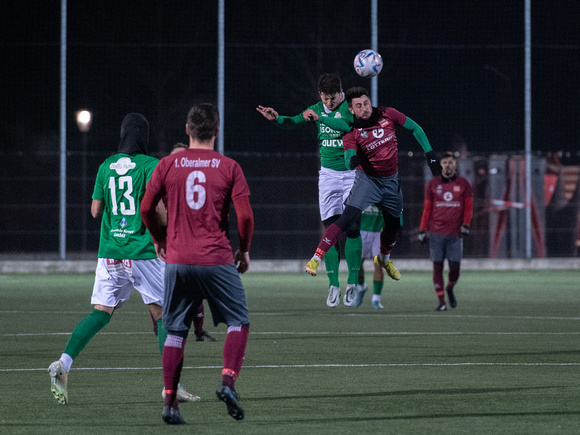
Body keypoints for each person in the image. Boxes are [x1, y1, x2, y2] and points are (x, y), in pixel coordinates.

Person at [48, 113, 198, 405]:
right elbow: (160, 211)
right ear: (144, 136)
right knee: (165, 315)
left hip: (110, 253)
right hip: (142, 252)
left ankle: (63, 364)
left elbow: (95, 210)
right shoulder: (150, 165)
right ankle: (172, 386)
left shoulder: (106, 166)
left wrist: (118, 218)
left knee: (100, 313)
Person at [140, 103, 254, 425]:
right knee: (238, 321)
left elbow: (146, 207)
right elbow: (245, 216)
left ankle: (170, 402)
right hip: (216, 259)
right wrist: (243, 250)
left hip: (177, 260)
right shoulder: (229, 166)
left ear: (187, 130)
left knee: (175, 330)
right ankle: (228, 381)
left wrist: (159, 238)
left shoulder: (167, 164)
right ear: (216, 132)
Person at [304, 86, 442, 282]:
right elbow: (349, 154)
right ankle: (316, 258)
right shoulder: (351, 131)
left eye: (366, 103)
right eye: (358, 106)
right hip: (367, 181)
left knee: (393, 227)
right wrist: (351, 161)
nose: (365, 108)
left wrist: (430, 154)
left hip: (391, 182)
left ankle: (385, 259)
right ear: (351, 110)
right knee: (346, 218)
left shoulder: (388, 114)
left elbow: (415, 128)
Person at [257, 73, 362, 308]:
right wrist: (277, 118)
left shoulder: (350, 106)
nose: (329, 103)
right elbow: (294, 122)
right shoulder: (318, 108)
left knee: (353, 228)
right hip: (327, 176)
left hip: (351, 174)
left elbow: (345, 125)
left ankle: (353, 282)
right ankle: (333, 284)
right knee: (331, 229)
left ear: (340, 91)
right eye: (325, 99)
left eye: (332, 98)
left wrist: (322, 118)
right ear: (320, 95)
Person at [154, 142, 217, 343]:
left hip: (188, 243)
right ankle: (159, 330)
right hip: (164, 245)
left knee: (195, 289)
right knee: (158, 293)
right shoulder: (160, 181)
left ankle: (198, 332)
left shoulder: (195, 183)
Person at [418, 152, 473, 311]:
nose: (448, 165)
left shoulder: (464, 184)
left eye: (451, 162)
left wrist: (466, 225)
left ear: (455, 165)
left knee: (455, 268)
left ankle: (450, 287)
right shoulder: (432, 184)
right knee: (437, 267)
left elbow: (468, 207)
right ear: (440, 165)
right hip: (436, 233)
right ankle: (441, 301)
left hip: (455, 234)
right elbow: (427, 209)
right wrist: (422, 230)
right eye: (445, 162)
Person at [354, 204, 387, 309]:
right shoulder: (362, 189)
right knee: (357, 264)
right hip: (362, 230)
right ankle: (361, 287)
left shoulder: (386, 190)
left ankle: (376, 298)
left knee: (378, 265)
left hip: (379, 232)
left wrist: (398, 226)